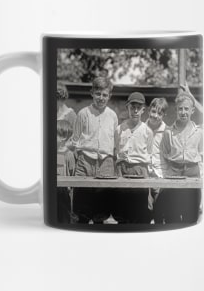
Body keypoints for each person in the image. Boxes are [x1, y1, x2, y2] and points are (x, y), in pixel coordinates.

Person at [71, 77, 118, 224]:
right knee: (82, 203)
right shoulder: (83, 113)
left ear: (109, 96)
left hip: (106, 162)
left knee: (102, 205)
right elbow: (75, 140)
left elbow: (115, 141)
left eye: (105, 95)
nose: (101, 98)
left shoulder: (112, 116)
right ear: (92, 93)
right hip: (85, 160)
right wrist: (79, 158)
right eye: (98, 94)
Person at [160, 92, 203, 223]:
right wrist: (165, 175)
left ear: (192, 110)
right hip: (173, 173)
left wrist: (201, 176)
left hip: (193, 173)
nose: (183, 112)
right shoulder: (168, 132)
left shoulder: (199, 132)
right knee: (172, 215)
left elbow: (202, 155)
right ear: (176, 110)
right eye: (180, 108)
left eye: (186, 109)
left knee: (190, 216)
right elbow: (163, 155)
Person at [113, 92, 154, 223]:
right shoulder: (119, 129)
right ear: (127, 108)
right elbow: (117, 150)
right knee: (123, 206)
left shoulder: (147, 131)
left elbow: (149, 152)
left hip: (140, 170)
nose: (135, 111)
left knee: (140, 206)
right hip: (122, 169)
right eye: (132, 107)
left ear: (143, 110)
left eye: (138, 108)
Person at [145, 98, 169, 223]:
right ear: (149, 110)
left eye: (160, 114)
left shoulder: (167, 132)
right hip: (145, 175)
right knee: (145, 211)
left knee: (160, 212)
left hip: (161, 175)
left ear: (164, 115)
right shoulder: (141, 128)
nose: (155, 116)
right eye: (153, 111)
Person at [56, 120, 76, 223]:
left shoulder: (69, 155)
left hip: (63, 192)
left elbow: (72, 173)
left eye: (55, 135)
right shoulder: (50, 152)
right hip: (52, 190)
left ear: (63, 138)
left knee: (64, 218)